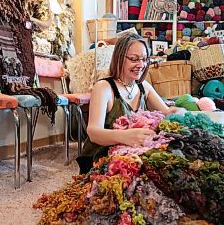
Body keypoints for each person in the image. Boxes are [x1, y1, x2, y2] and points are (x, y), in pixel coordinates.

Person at [76, 32, 185, 173]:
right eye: (134, 59)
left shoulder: (143, 87)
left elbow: (167, 113)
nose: (141, 65)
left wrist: (181, 113)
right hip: (100, 160)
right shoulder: (104, 88)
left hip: (131, 156)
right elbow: (93, 132)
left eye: (145, 59)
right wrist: (127, 136)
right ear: (119, 58)